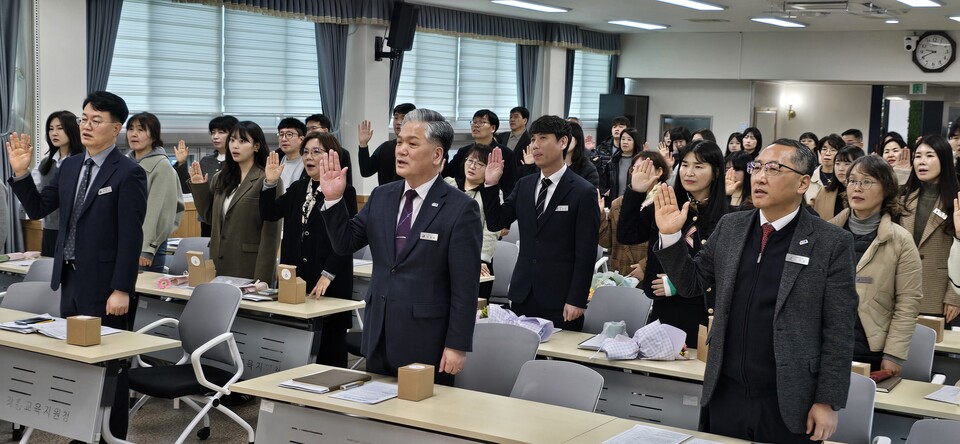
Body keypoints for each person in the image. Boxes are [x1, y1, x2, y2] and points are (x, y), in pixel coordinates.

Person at [652, 138, 858, 443]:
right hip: (726, 391)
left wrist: (827, 401)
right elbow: (692, 283)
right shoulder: (731, 227)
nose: (760, 177)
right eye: (757, 167)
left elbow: (839, 329)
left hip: (789, 398)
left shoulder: (831, 242)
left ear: (803, 183)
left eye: (774, 169)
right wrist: (670, 236)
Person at [7, 91, 148, 440]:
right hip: (69, 279)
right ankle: (84, 433)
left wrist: (122, 288)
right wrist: (22, 175)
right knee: (78, 363)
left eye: (95, 120)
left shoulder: (128, 173)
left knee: (110, 365)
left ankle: (112, 435)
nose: (86, 125)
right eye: (84, 118)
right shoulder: (70, 166)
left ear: (115, 128)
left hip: (105, 286)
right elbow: (39, 209)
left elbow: (131, 236)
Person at [317, 108, 481, 385]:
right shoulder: (382, 196)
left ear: (437, 155)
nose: (401, 150)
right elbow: (345, 243)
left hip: (427, 338)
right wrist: (333, 199)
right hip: (378, 331)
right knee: (376, 406)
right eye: (400, 141)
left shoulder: (460, 208)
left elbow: (465, 286)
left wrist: (457, 344)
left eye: (412, 144)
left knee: (422, 411)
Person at [482, 116, 600, 331]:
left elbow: (586, 252)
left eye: (543, 138)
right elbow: (496, 222)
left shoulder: (583, 191)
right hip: (523, 293)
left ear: (563, 142)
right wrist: (490, 185)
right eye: (533, 139)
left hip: (561, 298)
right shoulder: (524, 185)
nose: (535, 145)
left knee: (557, 352)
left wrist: (577, 299)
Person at [618, 140, 729, 346]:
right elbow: (628, 235)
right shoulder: (667, 205)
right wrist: (636, 192)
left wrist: (679, 282)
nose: (689, 172)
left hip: (702, 311)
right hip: (666, 310)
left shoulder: (728, 216)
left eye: (699, 166)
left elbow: (724, 269)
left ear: (715, 172)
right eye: (685, 165)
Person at [260, 132, 355, 367]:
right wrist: (270, 183)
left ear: (332, 156)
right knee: (298, 348)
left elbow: (346, 240)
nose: (308, 157)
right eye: (305, 152)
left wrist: (328, 274)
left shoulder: (345, 191)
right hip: (297, 278)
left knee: (329, 350)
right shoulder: (298, 188)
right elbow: (269, 213)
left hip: (328, 279)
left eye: (316, 152)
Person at [828, 155, 921, 373]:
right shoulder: (827, 234)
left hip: (871, 351)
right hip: (825, 346)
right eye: (852, 181)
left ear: (886, 189)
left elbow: (908, 303)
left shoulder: (901, 241)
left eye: (867, 181)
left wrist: (894, 354)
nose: (857, 188)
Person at [189, 121, 281, 284]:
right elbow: (209, 217)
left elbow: (271, 235)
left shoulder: (268, 179)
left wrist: (263, 279)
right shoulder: (220, 177)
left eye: (242, 141)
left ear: (256, 146)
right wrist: (199, 187)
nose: (235, 146)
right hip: (219, 262)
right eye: (232, 140)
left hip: (248, 266)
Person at [898, 134, 960, 326]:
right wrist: (899, 177)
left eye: (930, 156)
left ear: (944, 159)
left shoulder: (955, 200)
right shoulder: (905, 198)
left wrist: (955, 295)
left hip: (938, 293)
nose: (922, 161)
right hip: (902, 291)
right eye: (918, 156)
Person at [126, 112, 185, 272]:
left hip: (146, 246)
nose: (134, 134)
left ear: (153, 136)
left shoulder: (161, 166)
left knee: (144, 287)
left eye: (141, 129)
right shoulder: (125, 163)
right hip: (123, 241)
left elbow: (157, 212)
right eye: (131, 129)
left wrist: (148, 248)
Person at [599, 151, 669, 286]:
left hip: (652, 278)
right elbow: (607, 242)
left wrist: (644, 266)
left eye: (644, 168)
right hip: (620, 275)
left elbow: (668, 245)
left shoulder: (666, 202)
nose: (639, 173)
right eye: (635, 169)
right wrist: (600, 214)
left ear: (659, 171)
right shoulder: (619, 204)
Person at [444, 144, 502, 300]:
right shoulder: (448, 185)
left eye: (480, 163)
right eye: (470, 160)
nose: (472, 166)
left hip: (476, 258)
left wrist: (481, 259)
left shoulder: (492, 193)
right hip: (444, 256)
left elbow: (491, 230)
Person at [174, 115, 238, 237]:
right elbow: (188, 189)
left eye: (221, 132)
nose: (215, 136)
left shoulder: (239, 162)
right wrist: (181, 163)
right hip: (207, 220)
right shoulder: (206, 161)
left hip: (232, 220)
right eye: (213, 132)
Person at [32, 111, 83, 257]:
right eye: (51, 128)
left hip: (75, 230)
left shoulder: (82, 161)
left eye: (60, 128)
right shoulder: (45, 164)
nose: (54, 133)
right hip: (49, 229)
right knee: (49, 268)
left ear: (72, 130)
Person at [445, 109, 517, 197]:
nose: (476, 125)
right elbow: (448, 173)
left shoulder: (506, 154)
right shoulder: (463, 151)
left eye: (482, 122)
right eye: (474, 122)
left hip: (493, 200)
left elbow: (509, 187)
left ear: (493, 128)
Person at [357, 103, 415, 186]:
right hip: (386, 193)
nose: (398, 122)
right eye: (396, 118)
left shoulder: (417, 148)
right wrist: (363, 144)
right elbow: (366, 171)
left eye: (403, 118)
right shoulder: (385, 147)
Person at [811, 146, 865, 220]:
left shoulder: (865, 192)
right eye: (837, 163)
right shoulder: (824, 192)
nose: (841, 168)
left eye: (847, 164)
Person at [305, 113, 354, 185]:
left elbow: (347, 181)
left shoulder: (341, 152)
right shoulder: (305, 152)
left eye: (313, 128)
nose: (309, 132)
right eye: (307, 129)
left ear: (325, 131)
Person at [602, 127, 641, 202]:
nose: (625, 142)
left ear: (635, 142)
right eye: (623, 139)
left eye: (629, 139)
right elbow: (604, 184)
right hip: (614, 203)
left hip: (633, 203)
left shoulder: (640, 162)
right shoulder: (612, 162)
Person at [595, 116, 630, 195]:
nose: (617, 129)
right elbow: (596, 172)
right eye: (614, 127)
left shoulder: (630, 149)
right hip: (605, 193)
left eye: (621, 127)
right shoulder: (601, 148)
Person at [805, 134, 843, 204]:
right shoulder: (809, 177)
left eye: (833, 150)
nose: (827, 153)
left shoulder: (843, 178)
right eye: (824, 149)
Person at [496, 106, 531, 175]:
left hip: (520, 176)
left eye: (516, 117)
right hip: (500, 175)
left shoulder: (530, 139)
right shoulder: (502, 136)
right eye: (510, 117)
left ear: (525, 120)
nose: (512, 120)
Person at [565, 122, 600, 187]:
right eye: (561, 137)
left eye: (568, 137)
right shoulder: (552, 164)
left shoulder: (588, 168)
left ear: (577, 140)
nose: (564, 141)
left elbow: (591, 191)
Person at [275, 117, 307, 188]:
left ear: (301, 139)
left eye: (289, 134)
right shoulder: (275, 159)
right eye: (281, 134)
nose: (283, 139)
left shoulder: (308, 161)